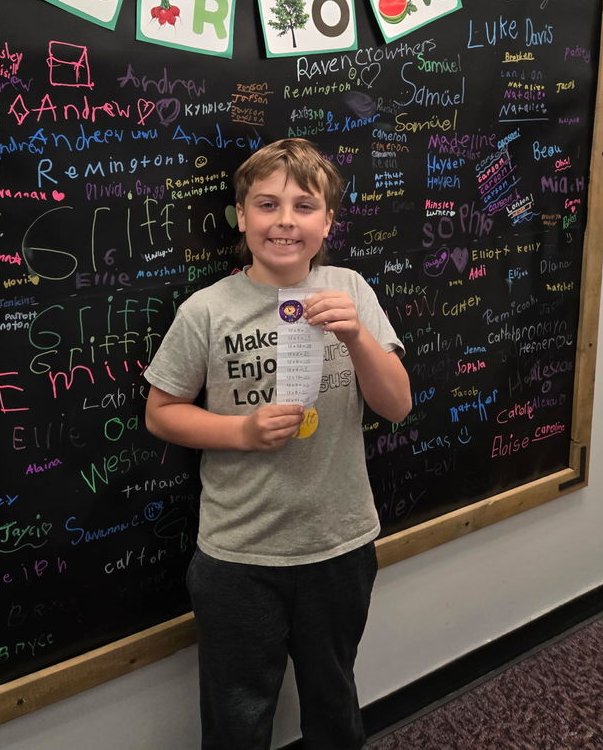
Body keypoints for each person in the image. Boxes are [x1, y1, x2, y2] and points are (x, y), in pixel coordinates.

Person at [144, 137, 411, 750]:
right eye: (267, 205)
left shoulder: (350, 290)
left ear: (328, 222)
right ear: (241, 216)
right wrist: (241, 431)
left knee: (333, 701)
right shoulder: (207, 311)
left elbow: (396, 405)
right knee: (236, 717)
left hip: (338, 542)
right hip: (240, 554)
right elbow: (161, 413)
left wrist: (357, 337)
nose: (285, 221)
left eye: (304, 206)